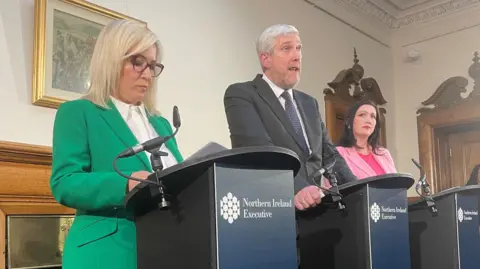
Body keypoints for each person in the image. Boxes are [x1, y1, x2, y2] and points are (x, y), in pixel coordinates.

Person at [50, 19, 183, 269]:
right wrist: (126, 182)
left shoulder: (162, 124)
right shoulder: (79, 112)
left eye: (152, 65)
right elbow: (64, 182)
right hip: (106, 252)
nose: (147, 74)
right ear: (111, 60)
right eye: (138, 62)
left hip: (165, 248)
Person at [223, 24, 356, 212]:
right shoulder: (241, 94)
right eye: (286, 48)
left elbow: (330, 156)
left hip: (318, 214)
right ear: (265, 59)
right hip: (270, 210)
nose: (297, 56)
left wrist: (361, 190)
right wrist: (299, 188)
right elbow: (258, 151)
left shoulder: (310, 103)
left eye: (299, 48)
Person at [336, 99, 396, 179]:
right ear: (348, 122)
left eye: (373, 116)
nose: (369, 120)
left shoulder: (384, 153)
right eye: (362, 115)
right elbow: (332, 188)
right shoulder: (338, 153)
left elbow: (397, 185)